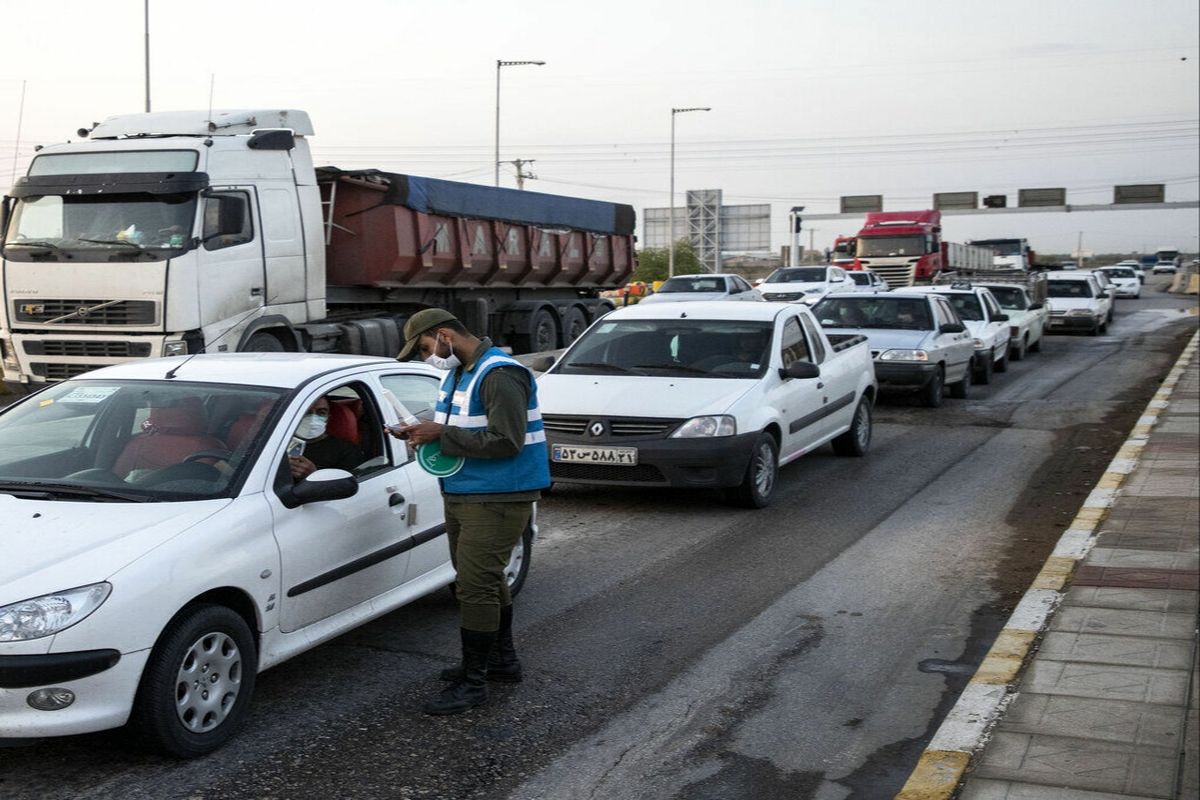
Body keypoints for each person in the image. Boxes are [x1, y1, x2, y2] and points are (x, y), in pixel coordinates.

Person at [389, 308, 550, 716]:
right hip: (466, 489)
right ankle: (500, 661)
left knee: (475, 587)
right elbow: (464, 425)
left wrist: (440, 434)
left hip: (498, 494)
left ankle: (473, 684)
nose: (428, 357)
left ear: (445, 335)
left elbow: (507, 440)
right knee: (482, 579)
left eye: (426, 348)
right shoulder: (463, 371)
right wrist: (422, 430)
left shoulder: (499, 374)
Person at [288, 395, 363, 480]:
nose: (313, 418)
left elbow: (346, 487)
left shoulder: (346, 451)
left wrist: (314, 475)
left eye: (321, 413)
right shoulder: (278, 440)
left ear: (328, 417)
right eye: (306, 412)